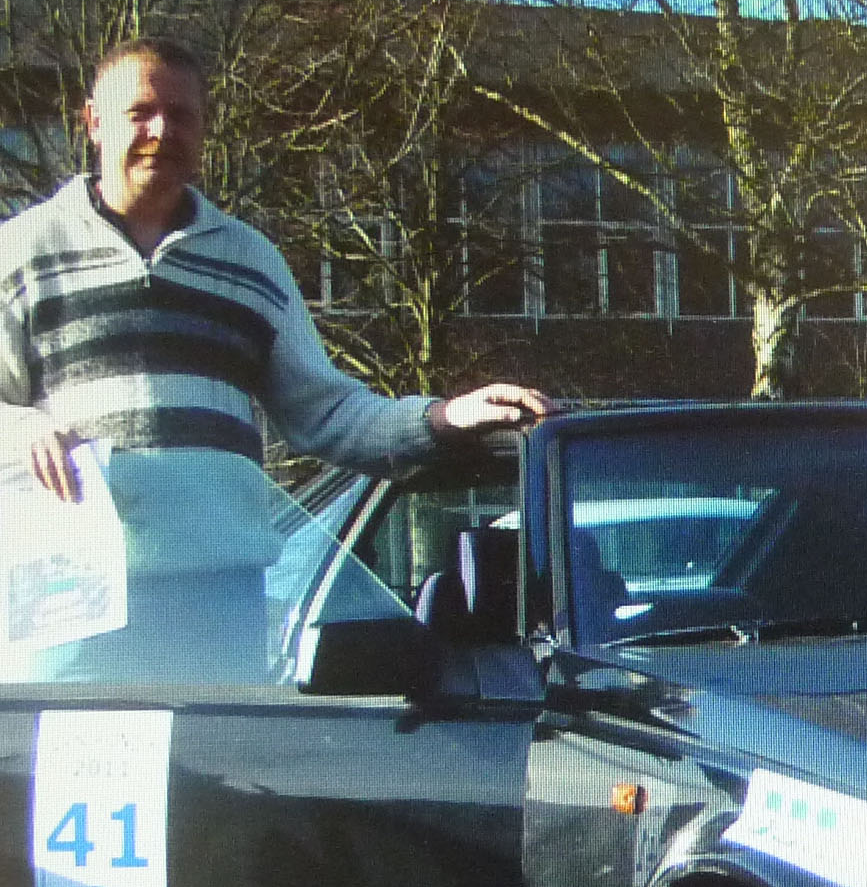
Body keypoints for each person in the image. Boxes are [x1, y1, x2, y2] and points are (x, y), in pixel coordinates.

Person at [0, 35, 551, 682]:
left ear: (203, 129)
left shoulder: (249, 262)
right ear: (92, 121)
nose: (160, 130)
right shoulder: (23, 252)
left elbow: (327, 412)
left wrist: (446, 416)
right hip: (68, 606)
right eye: (140, 112)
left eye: (181, 116)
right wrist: (23, 428)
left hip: (216, 605)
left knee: (221, 786)